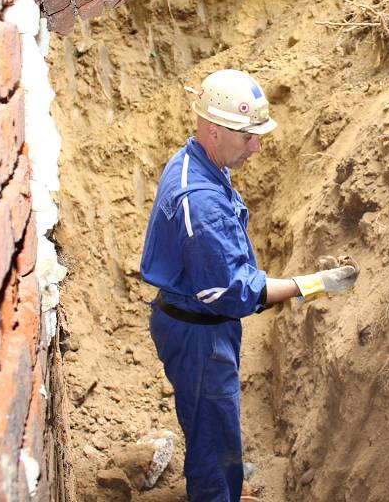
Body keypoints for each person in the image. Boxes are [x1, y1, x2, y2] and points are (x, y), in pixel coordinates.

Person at [140, 69, 359, 502]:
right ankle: (216, 492)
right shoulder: (198, 203)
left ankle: (228, 481)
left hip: (203, 323)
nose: (257, 146)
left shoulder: (196, 160)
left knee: (218, 422)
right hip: (198, 335)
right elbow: (238, 294)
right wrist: (312, 284)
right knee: (210, 431)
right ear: (213, 129)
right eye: (247, 136)